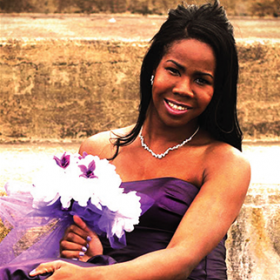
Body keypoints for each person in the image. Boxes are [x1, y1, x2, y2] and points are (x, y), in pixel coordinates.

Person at [0, 1, 250, 279]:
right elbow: (90, 249)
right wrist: (85, 250)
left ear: (218, 91)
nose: (183, 89)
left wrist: (89, 276)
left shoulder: (224, 163)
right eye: (174, 70)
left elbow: (182, 259)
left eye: (201, 80)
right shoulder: (98, 150)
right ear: (153, 69)